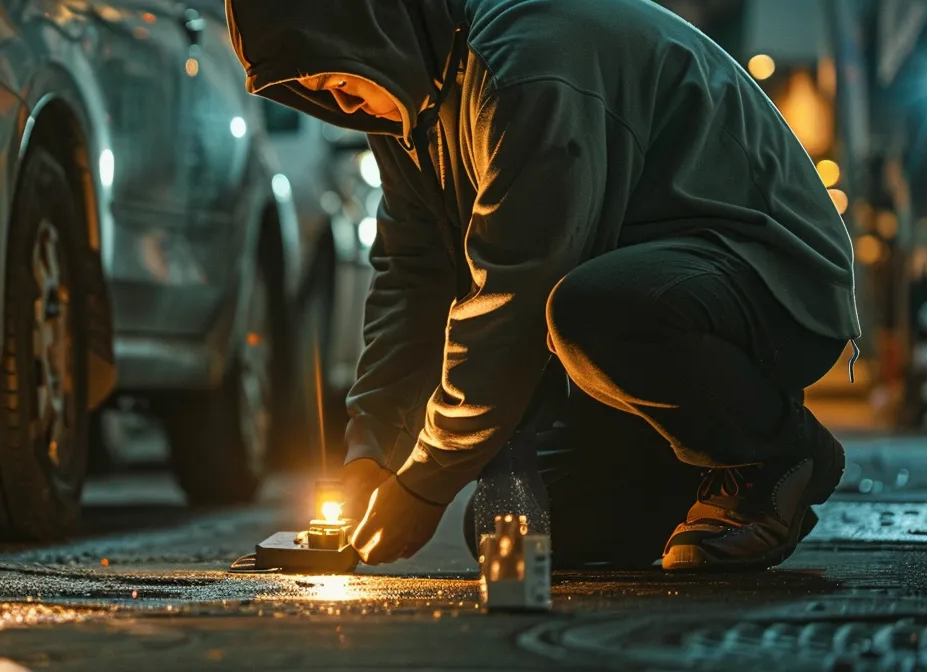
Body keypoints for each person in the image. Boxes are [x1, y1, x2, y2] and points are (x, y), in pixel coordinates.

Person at [226, 0, 861, 571]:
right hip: (643, 312)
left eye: (337, 80)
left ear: (368, 23)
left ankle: (779, 453)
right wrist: (374, 450)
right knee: (518, 532)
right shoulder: (407, 104)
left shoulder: (524, 61)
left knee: (594, 311)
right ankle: (701, 469)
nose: (341, 104)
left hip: (767, 278)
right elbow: (411, 278)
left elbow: (516, 293)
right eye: (316, 92)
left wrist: (426, 479)